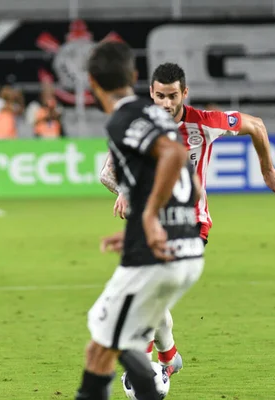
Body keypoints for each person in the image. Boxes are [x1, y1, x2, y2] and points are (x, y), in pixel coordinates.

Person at [99, 62, 275, 375]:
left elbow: (256, 125)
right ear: (151, 92)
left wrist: (266, 168)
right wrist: (125, 190)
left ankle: (147, 369)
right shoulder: (137, 124)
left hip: (191, 222)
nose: (166, 103)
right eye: (159, 95)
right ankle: (168, 359)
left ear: (185, 93)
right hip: (150, 222)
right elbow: (107, 173)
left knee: (148, 290)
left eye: (173, 96)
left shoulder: (205, 123)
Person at [75, 41, 205, 400]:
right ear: (134, 77)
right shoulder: (159, 116)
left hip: (155, 255)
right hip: (186, 246)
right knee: (104, 346)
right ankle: (162, 365)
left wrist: (147, 218)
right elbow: (191, 182)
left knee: (102, 346)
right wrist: (149, 225)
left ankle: (156, 373)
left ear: (92, 83)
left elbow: (174, 154)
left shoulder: (123, 118)